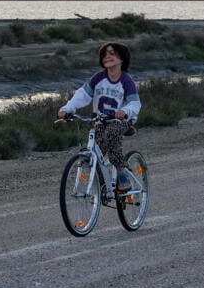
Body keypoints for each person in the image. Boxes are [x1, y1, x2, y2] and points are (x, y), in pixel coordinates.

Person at [58, 41, 141, 192]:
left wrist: (124, 112)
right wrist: (67, 108)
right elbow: (82, 95)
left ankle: (122, 173)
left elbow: (135, 104)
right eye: (105, 54)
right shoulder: (98, 78)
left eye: (112, 53)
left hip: (121, 121)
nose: (107, 56)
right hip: (100, 121)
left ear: (122, 58)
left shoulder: (126, 80)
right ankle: (104, 188)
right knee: (96, 155)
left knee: (111, 132)